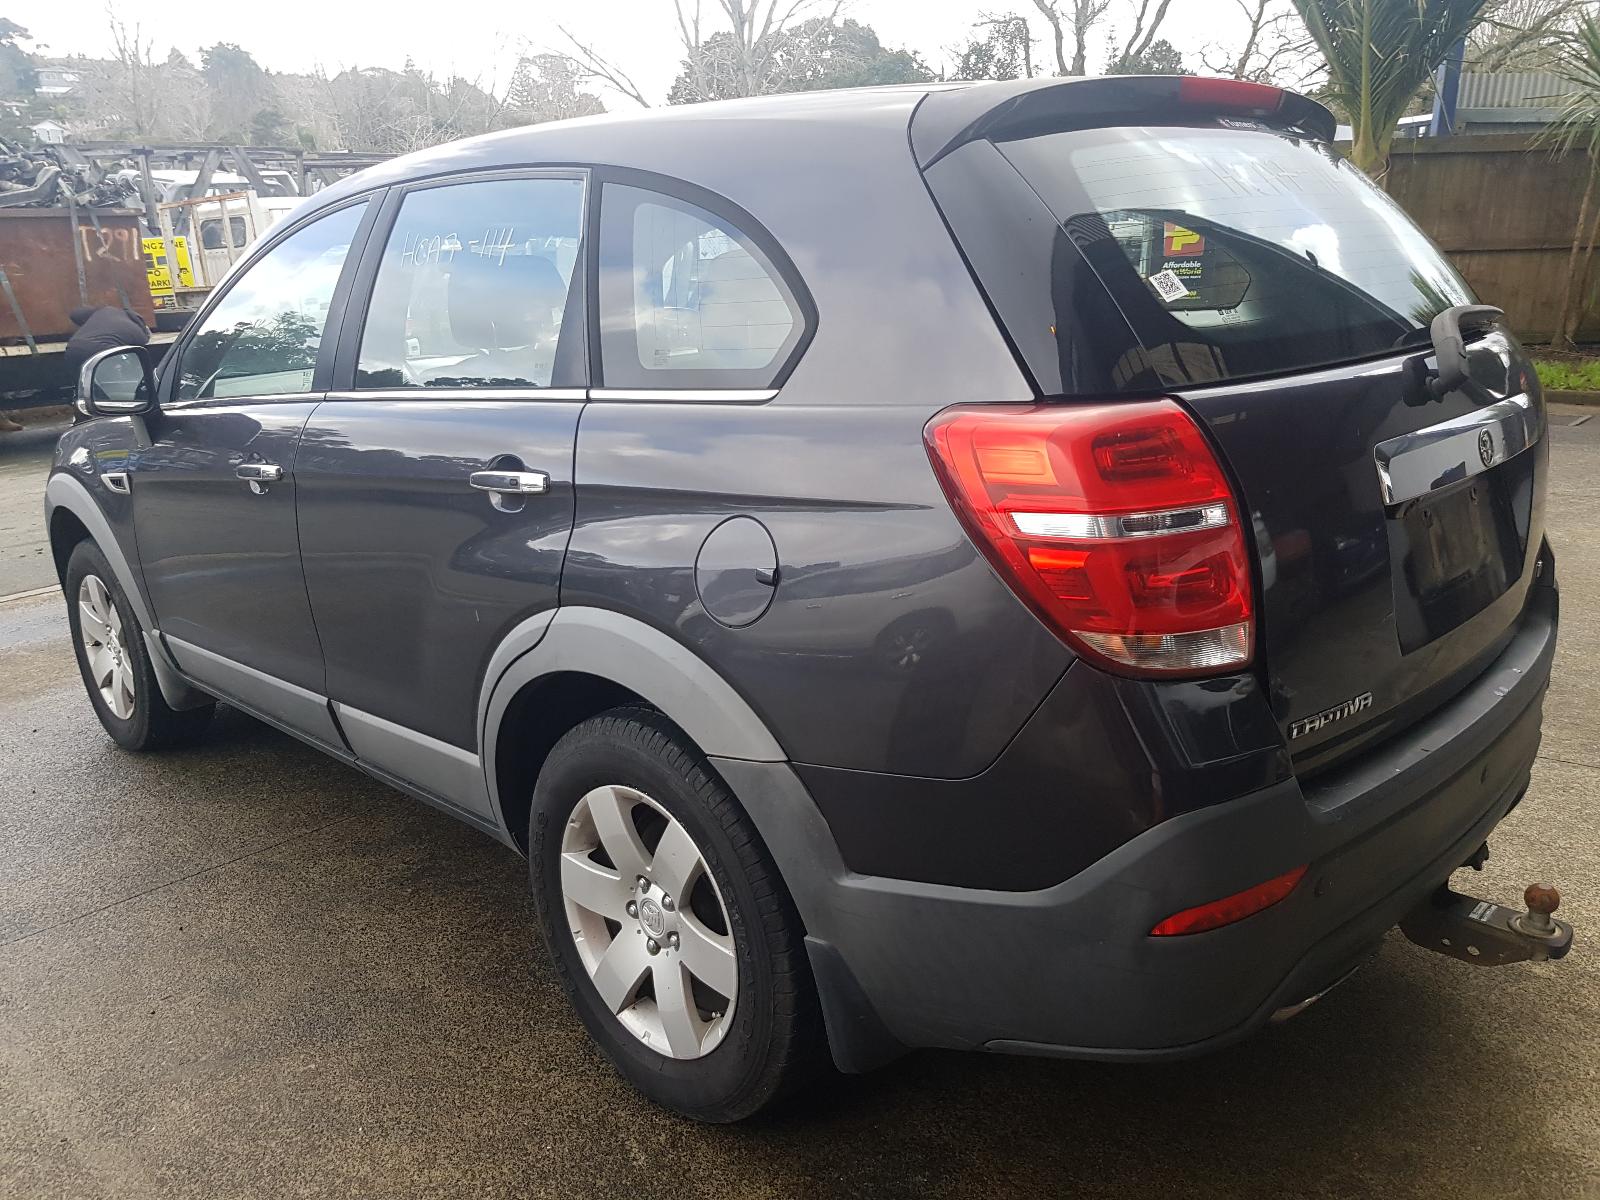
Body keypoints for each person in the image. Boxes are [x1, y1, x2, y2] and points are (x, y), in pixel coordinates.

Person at [64, 304, 150, 381]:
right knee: (113, 382)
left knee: (82, 384)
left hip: (72, 348)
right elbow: (141, 348)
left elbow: (79, 313)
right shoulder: (138, 332)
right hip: (100, 351)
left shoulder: (107, 310)